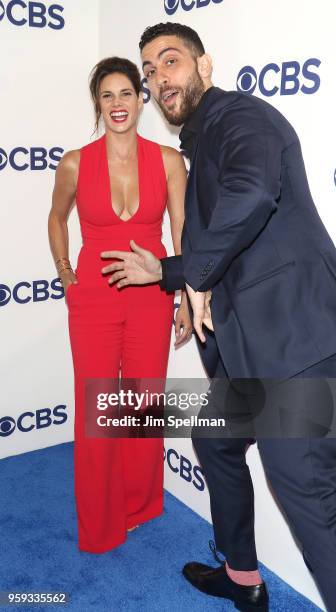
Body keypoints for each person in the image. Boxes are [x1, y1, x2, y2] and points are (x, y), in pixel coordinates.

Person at [100, 23, 336, 612]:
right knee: (218, 442)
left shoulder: (238, 116)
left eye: (170, 62)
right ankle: (241, 574)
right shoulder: (203, 142)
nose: (157, 79)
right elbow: (238, 239)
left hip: (292, 346)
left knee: (311, 501)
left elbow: (254, 193)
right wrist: (169, 272)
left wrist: (197, 275)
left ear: (205, 65)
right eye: (149, 72)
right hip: (247, 352)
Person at [48, 56, 192, 553]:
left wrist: (187, 299)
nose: (117, 104)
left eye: (126, 93)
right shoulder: (74, 162)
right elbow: (56, 217)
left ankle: (138, 503)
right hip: (94, 300)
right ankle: (100, 519)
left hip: (153, 298)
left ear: (141, 98)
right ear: (97, 103)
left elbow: (181, 233)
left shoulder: (169, 161)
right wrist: (66, 273)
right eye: (107, 95)